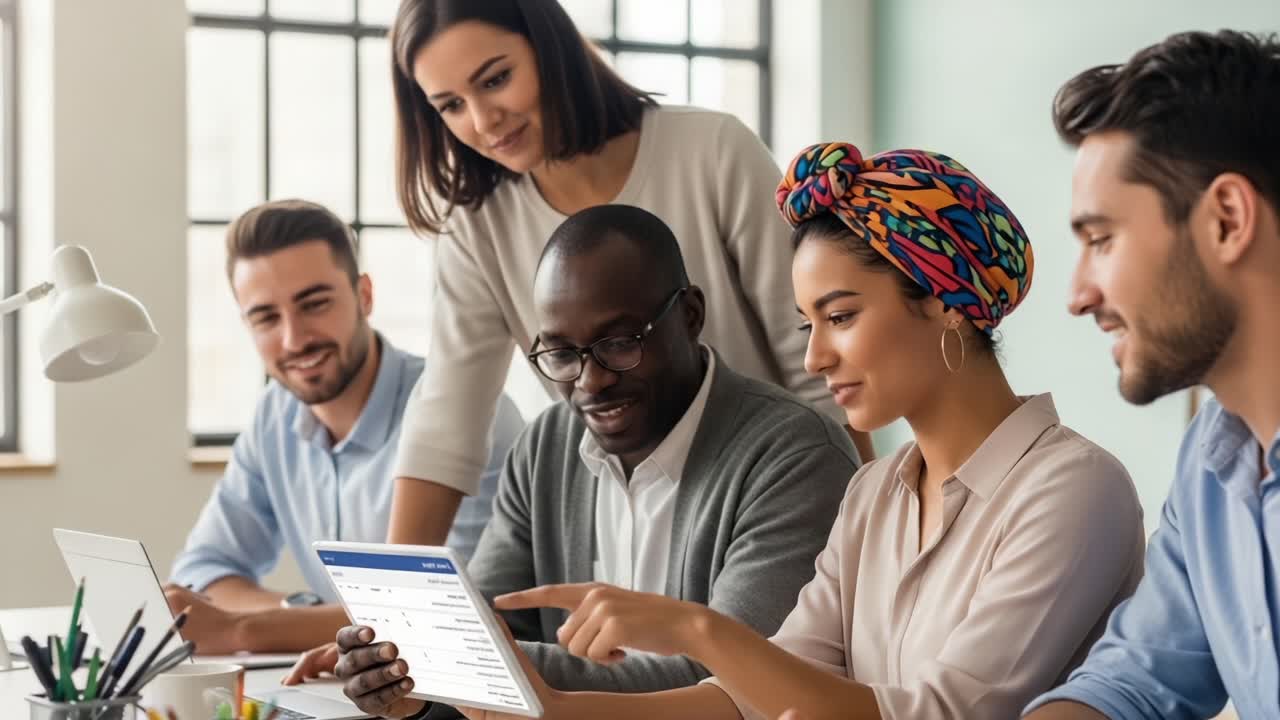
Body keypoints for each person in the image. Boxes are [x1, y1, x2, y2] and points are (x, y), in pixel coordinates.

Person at [334, 143, 1148, 720]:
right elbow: (757, 697)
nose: (815, 353)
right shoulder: (875, 493)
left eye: (841, 316)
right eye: (807, 321)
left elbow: (937, 714)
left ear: (941, 301)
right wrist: (542, 704)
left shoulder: (1072, 490)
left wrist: (690, 627)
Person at [313, 204, 861, 718]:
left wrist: (455, 664)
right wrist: (408, 684)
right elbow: (488, 620)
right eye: (561, 354)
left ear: (690, 315)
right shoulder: (546, 445)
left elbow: (732, 680)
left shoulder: (795, 455)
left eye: (620, 343)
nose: (591, 381)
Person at [379, 0, 874, 550]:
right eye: (449, 105)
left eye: (495, 79)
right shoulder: (477, 227)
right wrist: (382, 603)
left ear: (552, 50)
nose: (482, 119)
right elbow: (448, 417)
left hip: (775, 500)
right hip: (628, 520)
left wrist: (863, 545)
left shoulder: (711, 151)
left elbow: (816, 361)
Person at [1024, 30, 1280, 720]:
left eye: (1102, 240)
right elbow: (1132, 686)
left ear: (1227, 219)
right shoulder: (1212, 463)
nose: (1078, 294)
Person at [165, 199, 524, 654]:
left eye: (314, 304)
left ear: (365, 296)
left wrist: (245, 629)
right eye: (266, 318)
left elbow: (451, 613)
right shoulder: (273, 418)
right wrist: (304, 610)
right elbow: (203, 569)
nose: (294, 339)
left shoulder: (467, 412)